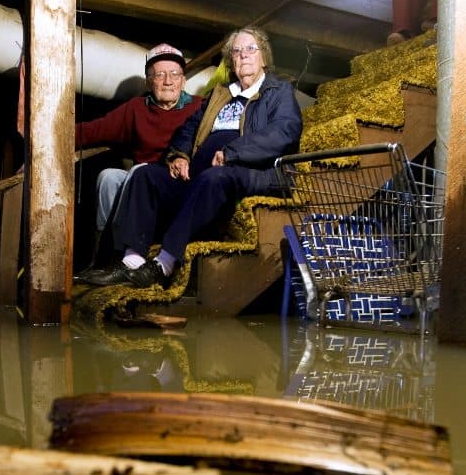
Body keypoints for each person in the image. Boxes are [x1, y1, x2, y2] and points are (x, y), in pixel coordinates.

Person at [82, 27, 302, 289]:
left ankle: (164, 261)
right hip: (199, 174)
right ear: (231, 60)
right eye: (237, 51)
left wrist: (233, 152)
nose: (243, 55)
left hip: (250, 171)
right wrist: (179, 155)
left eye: (250, 49)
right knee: (145, 173)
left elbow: (284, 131)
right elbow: (188, 129)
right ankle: (132, 261)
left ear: (263, 57)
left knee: (213, 178)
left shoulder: (278, 91)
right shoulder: (221, 94)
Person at [74, 43, 203, 270]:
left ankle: (131, 256)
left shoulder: (199, 107)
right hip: (139, 187)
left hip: (177, 188)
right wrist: (49, 134)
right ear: (148, 81)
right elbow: (95, 129)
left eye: (174, 74)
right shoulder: (136, 108)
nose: (167, 81)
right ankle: (107, 254)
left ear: (183, 80)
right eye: (159, 75)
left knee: (138, 171)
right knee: (108, 177)